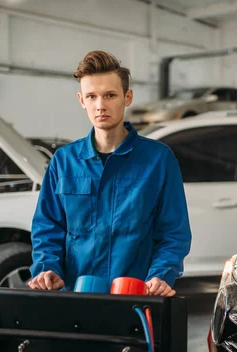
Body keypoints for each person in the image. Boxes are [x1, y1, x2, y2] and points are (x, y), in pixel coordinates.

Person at [28, 50, 192, 296]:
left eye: (110, 95)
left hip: (136, 296)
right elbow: (48, 227)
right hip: (75, 296)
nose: (100, 105)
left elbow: (173, 232)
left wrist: (161, 274)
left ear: (127, 97)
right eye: (91, 96)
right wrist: (46, 268)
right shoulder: (64, 161)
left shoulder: (158, 159)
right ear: (81, 100)